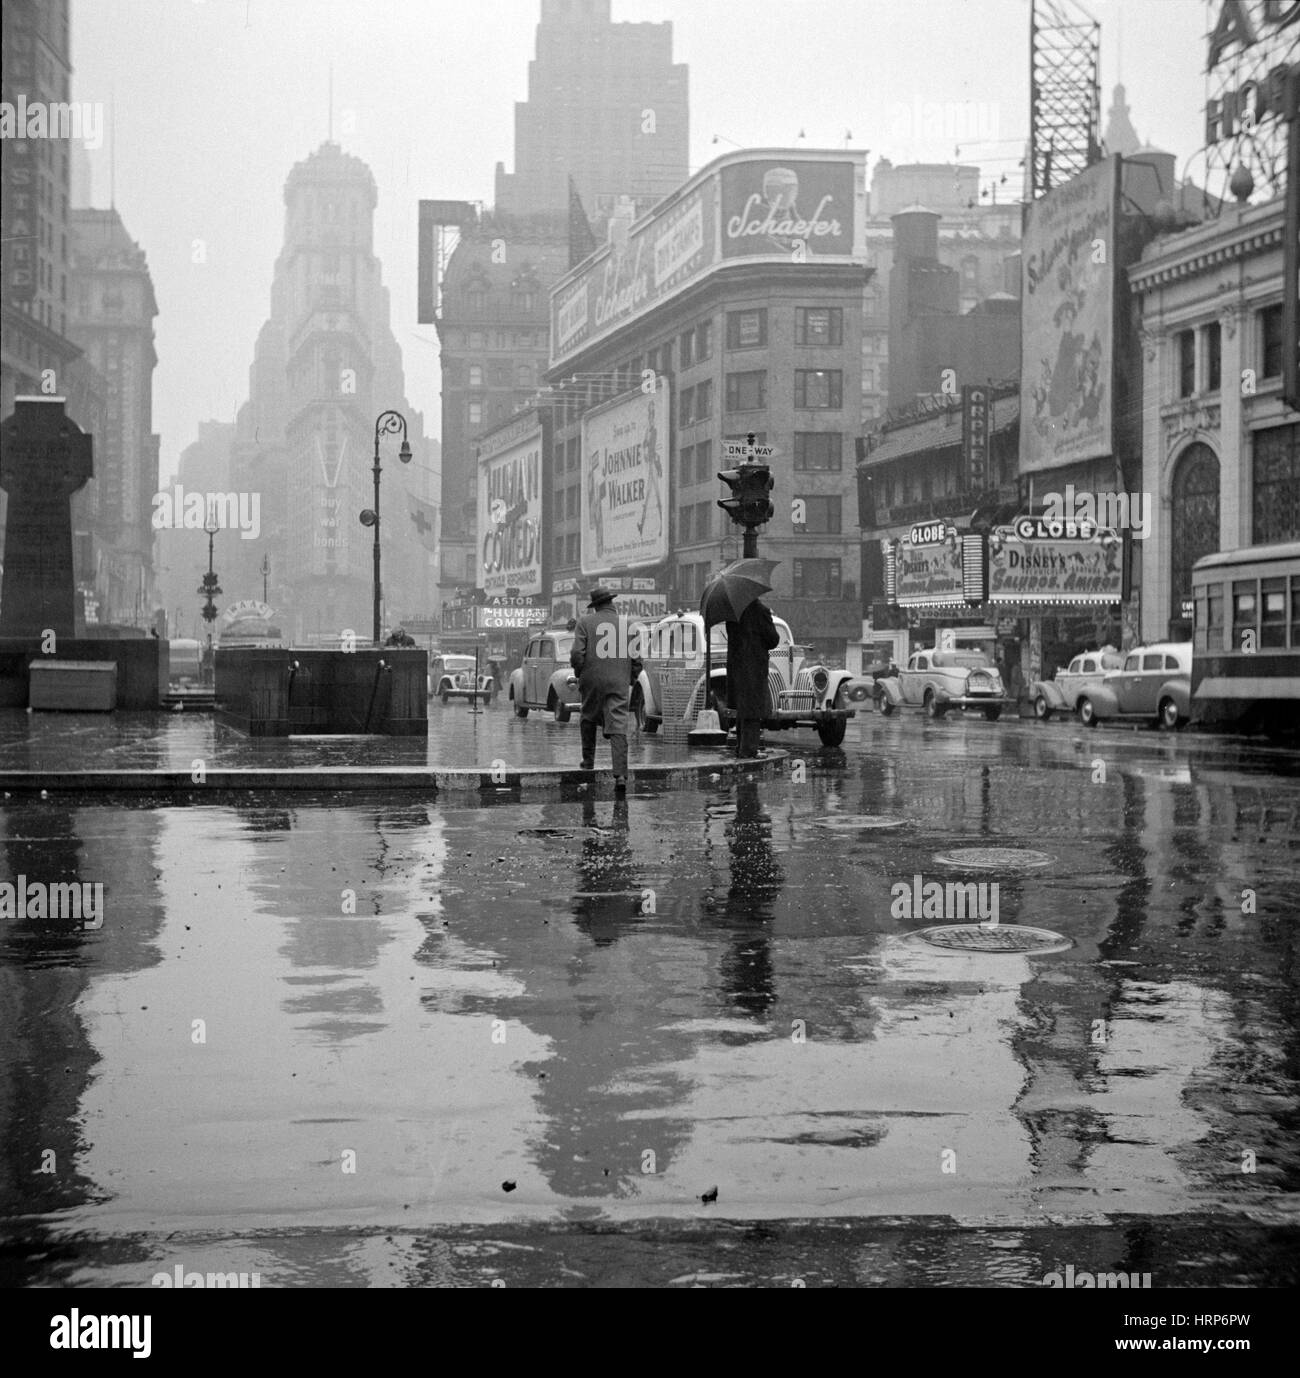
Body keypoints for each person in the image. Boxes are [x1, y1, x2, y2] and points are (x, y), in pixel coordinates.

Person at [570, 585, 642, 791]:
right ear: (612, 603)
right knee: (619, 724)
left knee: (588, 717)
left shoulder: (584, 623)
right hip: (618, 681)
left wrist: (580, 672)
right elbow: (637, 660)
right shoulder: (629, 625)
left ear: (595, 606)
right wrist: (629, 678)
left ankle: (588, 763)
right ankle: (620, 775)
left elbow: (577, 654)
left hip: (591, 679)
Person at [725, 598, 779, 758]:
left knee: (742, 708)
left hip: (737, 666)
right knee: (754, 709)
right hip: (754, 666)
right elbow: (773, 639)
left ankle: (741, 748)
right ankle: (749, 751)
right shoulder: (760, 610)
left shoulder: (733, 612)